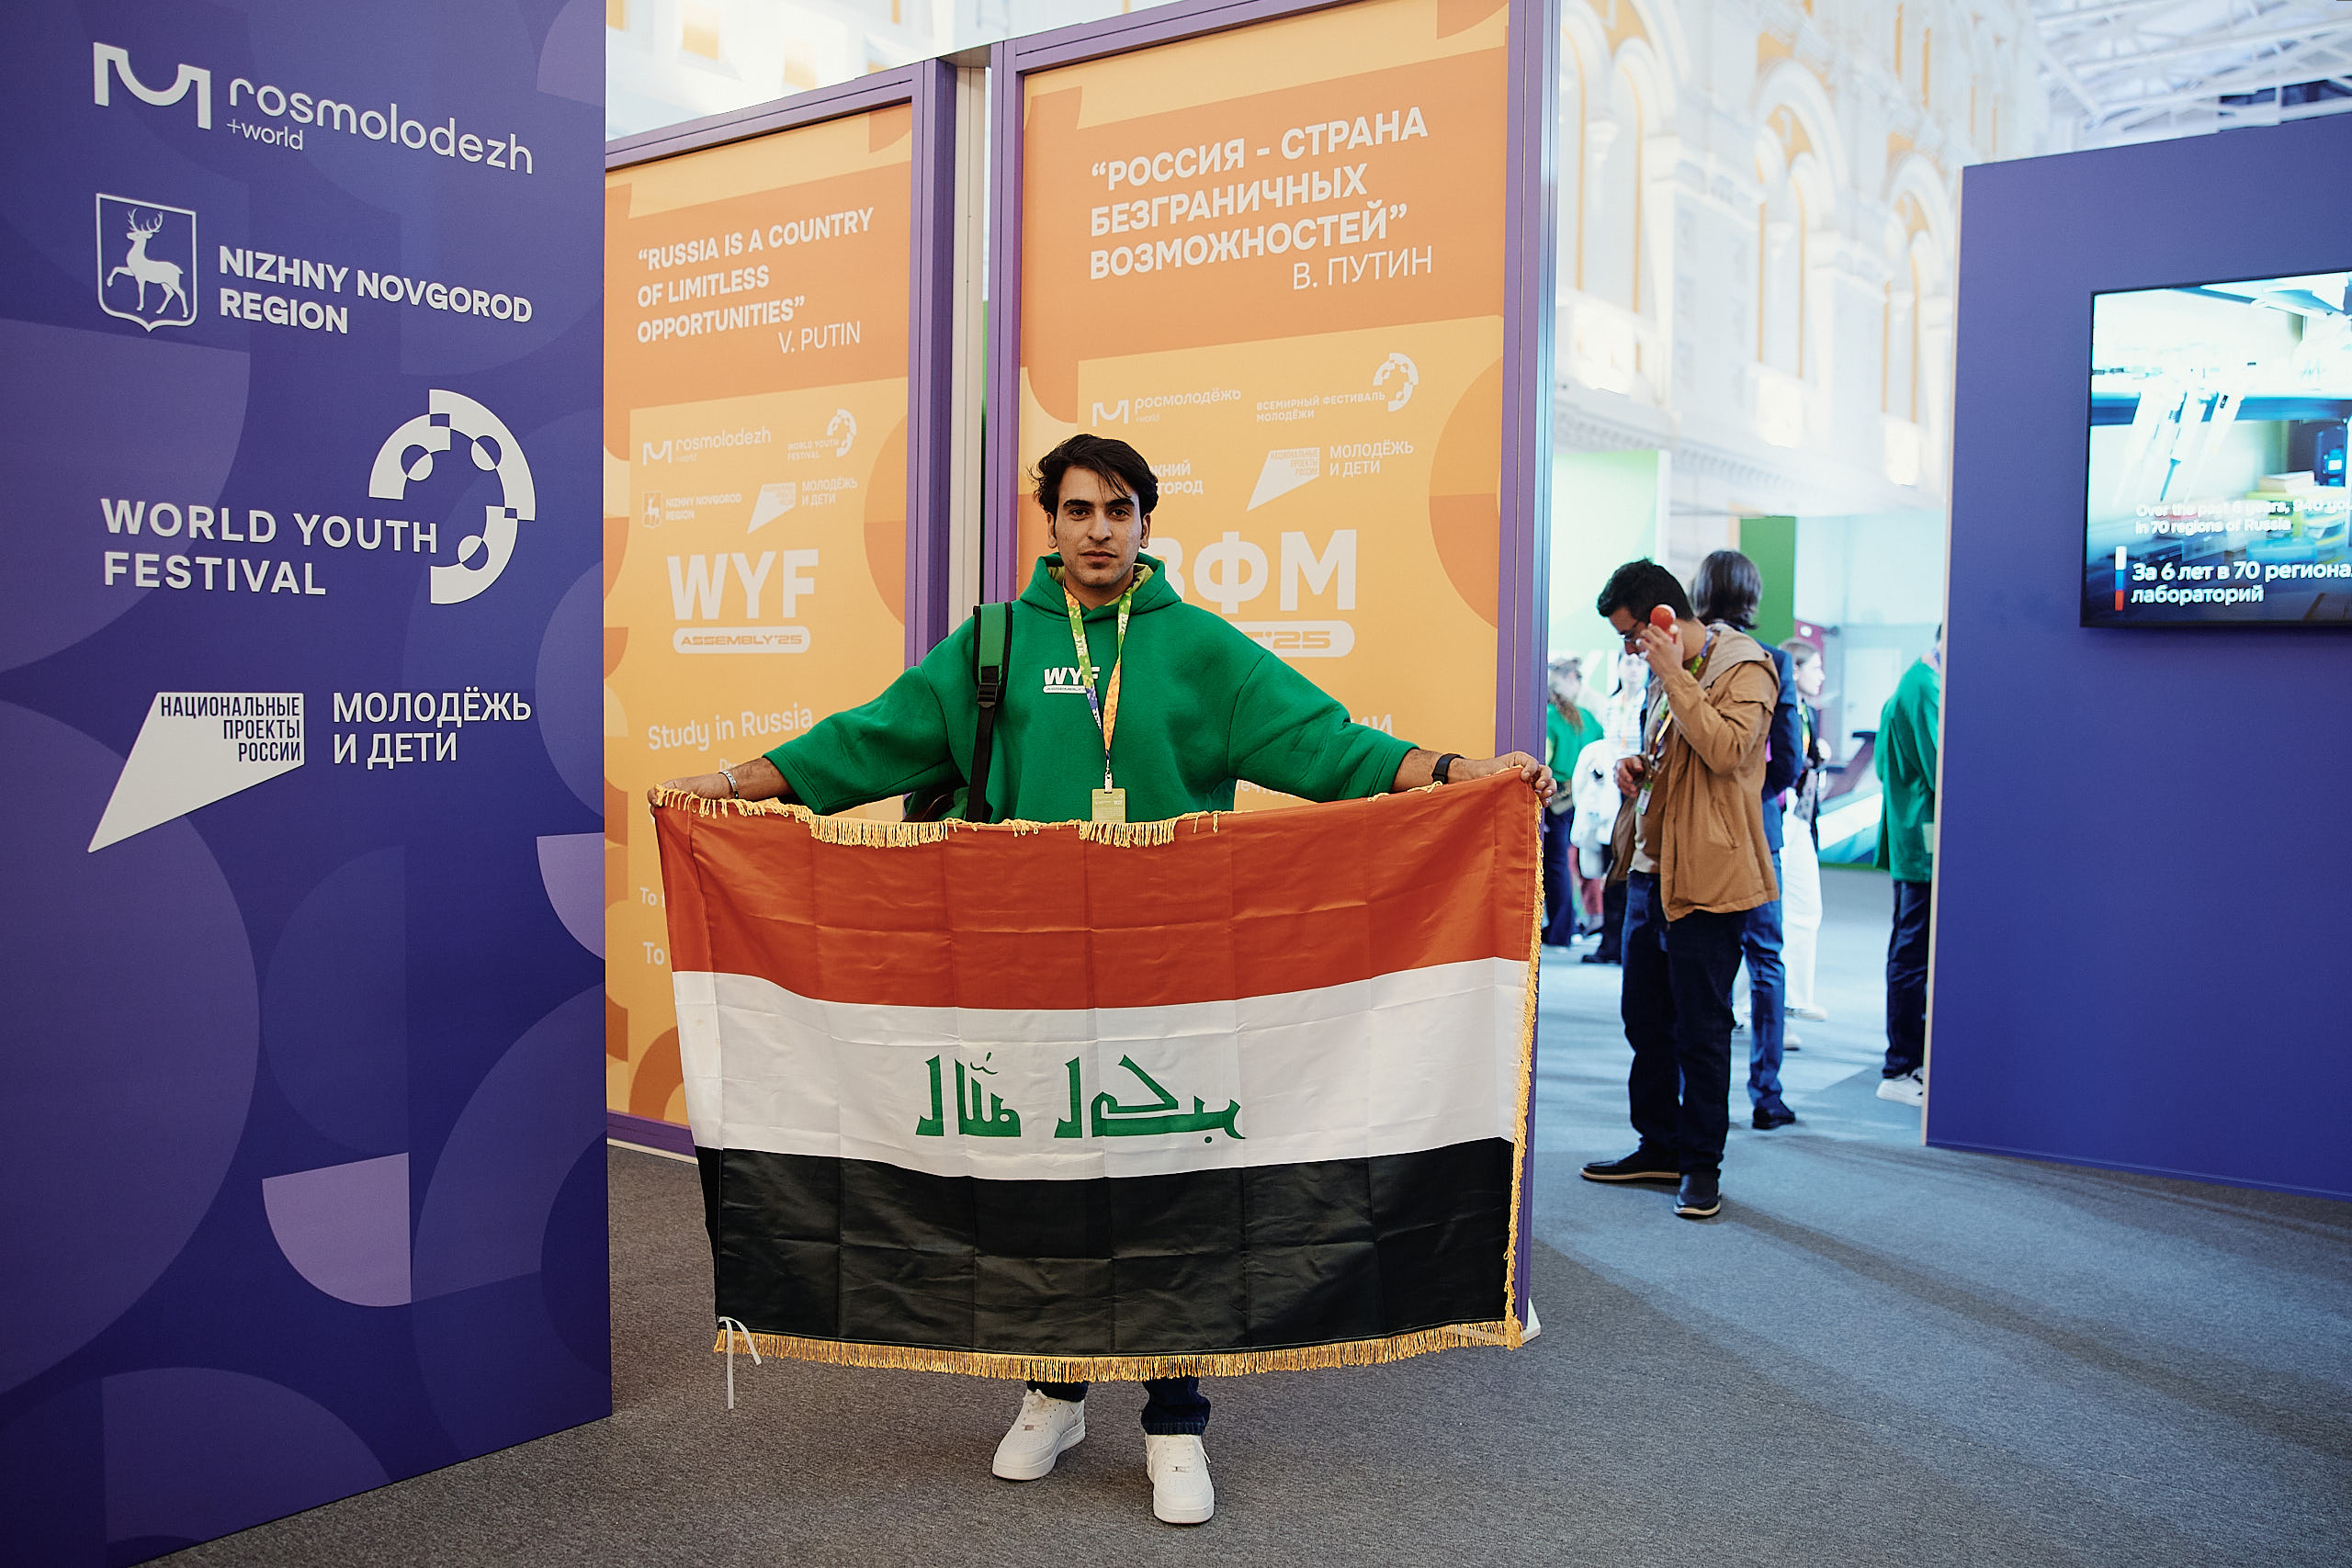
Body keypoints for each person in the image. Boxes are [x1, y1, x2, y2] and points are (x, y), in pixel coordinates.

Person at [656, 432, 1554, 1526]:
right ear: (1049, 521)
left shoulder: (1199, 648)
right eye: (1078, 510)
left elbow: (1329, 746)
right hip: (1023, 969)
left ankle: (1176, 1420)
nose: (1098, 531)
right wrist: (730, 785)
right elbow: (869, 742)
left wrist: (1461, 772)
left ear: (1145, 523)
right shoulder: (995, 641)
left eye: (1118, 511)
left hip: (1175, 973)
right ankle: (1055, 1390)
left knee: (1176, 1186)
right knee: (1040, 1180)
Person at [1578, 559, 1780, 1219]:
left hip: (1711, 879)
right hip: (1651, 870)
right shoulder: (1671, 675)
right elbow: (1684, 752)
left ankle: (1700, 1166)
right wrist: (1641, 766)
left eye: (1631, 635)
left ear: (1663, 618)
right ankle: (1659, 1144)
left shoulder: (1744, 667)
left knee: (1702, 1029)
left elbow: (1727, 751)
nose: (1630, 650)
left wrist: (1672, 675)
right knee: (1645, 1020)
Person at [1688, 550, 1803, 1130]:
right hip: (1758, 832)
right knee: (1765, 959)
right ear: (1753, 596)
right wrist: (1751, 795)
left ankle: (1695, 1099)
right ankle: (1767, 1094)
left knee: (1694, 965)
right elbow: (1790, 760)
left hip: (1695, 833)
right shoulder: (1772, 660)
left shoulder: (1687, 657)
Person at [1875, 628, 1941, 1108]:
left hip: (1915, 837)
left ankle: (1907, 1060)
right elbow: (1944, 767)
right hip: (1923, 842)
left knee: (1911, 948)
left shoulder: (1916, 681)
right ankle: (1900, 1066)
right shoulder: (1924, 686)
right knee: (1912, 953)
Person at [1777, 639, 1829, 1022]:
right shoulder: (1777, 710)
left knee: (1806, 906)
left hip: (1800, 818)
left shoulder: (1805, 711)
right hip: (1778, 815)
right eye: (1815, 667)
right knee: (1770, 913)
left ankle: (1795, 996)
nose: (1821, 676)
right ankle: (1745, 1004)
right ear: (1794, 671)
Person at [1541, 657, 1603, 945]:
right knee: (1575, 864)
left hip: (1557, 800)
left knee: (1556, 865)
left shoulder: (1549, 718)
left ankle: (1560, 929)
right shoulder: (1588, 719)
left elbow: (1544, 760)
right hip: (1585, 799)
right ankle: (1567, 925)